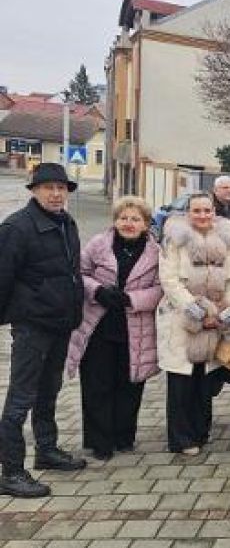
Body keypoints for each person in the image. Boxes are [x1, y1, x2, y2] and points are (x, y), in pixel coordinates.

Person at [0, 163, 87, 497]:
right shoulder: (17, 227)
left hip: (60, 322)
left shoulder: (66, 222)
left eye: (61, 188)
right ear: (34, 190)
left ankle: (46, 450)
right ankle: (10, 471)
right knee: (20, 397)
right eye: (48, 187)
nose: (55, 194)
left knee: (48, 391)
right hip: (33, 326)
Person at [65, 196, 162, 460]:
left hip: (136, 326)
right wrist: (97, 290)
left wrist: (134, 299)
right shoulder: (98, 244)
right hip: (99, 325)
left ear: (145, 224)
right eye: (123, 218)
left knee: (130, 384)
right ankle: (100, 442)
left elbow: (162, 288)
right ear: (115, 220)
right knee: (97, 384)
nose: (128, 223)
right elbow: (78, 273)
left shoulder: (157, 252)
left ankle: (123, 437)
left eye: (135, 219)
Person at [157, 193, 230, 455]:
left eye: (207, 210)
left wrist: (226, 310)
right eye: (197, 211)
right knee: (182, 379)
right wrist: (194, 310)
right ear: (188, 213)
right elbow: (169, 278)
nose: (203, 216)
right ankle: (181, 438)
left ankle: (201, 431)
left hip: (215, 318)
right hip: (182, 319)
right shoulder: (174, 239)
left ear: (214, 212)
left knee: (205, 379)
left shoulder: (227, 239)